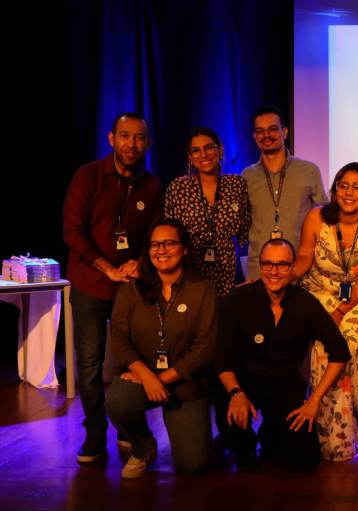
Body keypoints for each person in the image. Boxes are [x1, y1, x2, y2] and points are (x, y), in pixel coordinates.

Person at [62, 112, 163, 463]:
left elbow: (155, 235)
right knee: (90, 363)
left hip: (131, 288)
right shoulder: (87, 176)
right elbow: (72, 232)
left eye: (139, 138)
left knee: (131, 360)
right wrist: (107, 268)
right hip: (91, 284)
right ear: (111, 139)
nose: (132, 144)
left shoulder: (151, 185)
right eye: (124, 136)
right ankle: (94, 433)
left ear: (147, 143)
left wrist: (139, 262)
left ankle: (127, 425)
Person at [215, 239, 350, 471]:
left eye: (282, 265)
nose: (274, 271)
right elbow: (221, 356)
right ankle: (243, 440)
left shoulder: (305, 303)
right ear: (260, 266)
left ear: (293, 266)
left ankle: (271, 433)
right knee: (238, 444)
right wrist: (236, 393)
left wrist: (314, 400)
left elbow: (339, 352)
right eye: (267, 264)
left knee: (306, 459)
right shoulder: (238, 299)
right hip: (242, 383)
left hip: (284, 384)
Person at [105, 219, 218, 479]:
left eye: (169, 243)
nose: (161, 250)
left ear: (185, 249)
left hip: (186, 385)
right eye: (155, 245)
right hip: (142, 379)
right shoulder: (132, 289)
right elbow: (119, 339)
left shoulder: (202, 290)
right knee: (118, 400)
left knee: (193, 465)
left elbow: (204, 348)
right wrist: (146, 376)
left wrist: (161, 380)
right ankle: (143, 447)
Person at [293, 162, 358, 461]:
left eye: (357, 187)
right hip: (318, 290)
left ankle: (341, 429)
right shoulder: (316, 217)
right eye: (343, 185)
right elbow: (303, 259)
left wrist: (341, 310)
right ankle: (328, 427)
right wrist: (278, 278)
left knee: (346, 343)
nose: (349, 192)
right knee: (324, 349)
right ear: (334, 191)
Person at [241, 105, 327, 279]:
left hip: (301, 268)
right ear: (255, 137)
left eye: (273, 129)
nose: (266, 135)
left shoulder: (309, 170)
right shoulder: (247, 176)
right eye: (260, 131)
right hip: (260, 270)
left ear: (285, 132)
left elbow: (324, 217)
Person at [164, 127, 250, 297]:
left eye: (209, 147)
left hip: (229, 274)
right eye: (196, 150)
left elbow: (245, 233)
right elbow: (170, 235)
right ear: (190, 157)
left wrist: (246, 274)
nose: (203, 154)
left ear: (220, 150)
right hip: (191, 273)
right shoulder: (178, 187)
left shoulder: (237, 184)